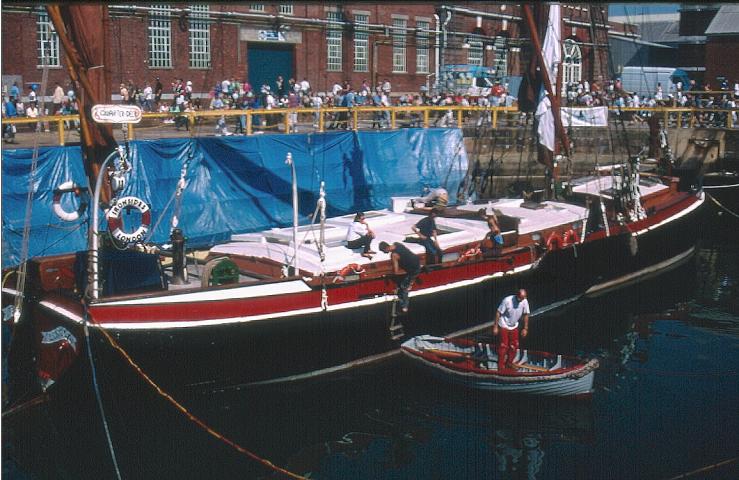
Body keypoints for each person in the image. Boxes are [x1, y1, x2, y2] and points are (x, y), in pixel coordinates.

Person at [493, 289, 530, 371]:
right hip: (504, 325)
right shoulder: (507, 300)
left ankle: (509, 362)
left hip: (514, 325)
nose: (521, 300)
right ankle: (500, 366)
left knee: (514, 345)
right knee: (503, 346)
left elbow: (526, 314)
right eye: (520, 298)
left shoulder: (524, 301)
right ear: (517, 295)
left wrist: (525, 328)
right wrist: (495, 326)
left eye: (523, 298)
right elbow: (498, 312)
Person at [379, 241, 421, 313]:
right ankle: (410, 282)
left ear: (386, 248)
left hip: (413, 270)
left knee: (403, 287)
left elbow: (396, 271)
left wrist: (389, 275)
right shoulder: (397, 244)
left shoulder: (394, 255)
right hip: (417, 262)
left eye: (383, 251)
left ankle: (404, 307)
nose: (384, 253)